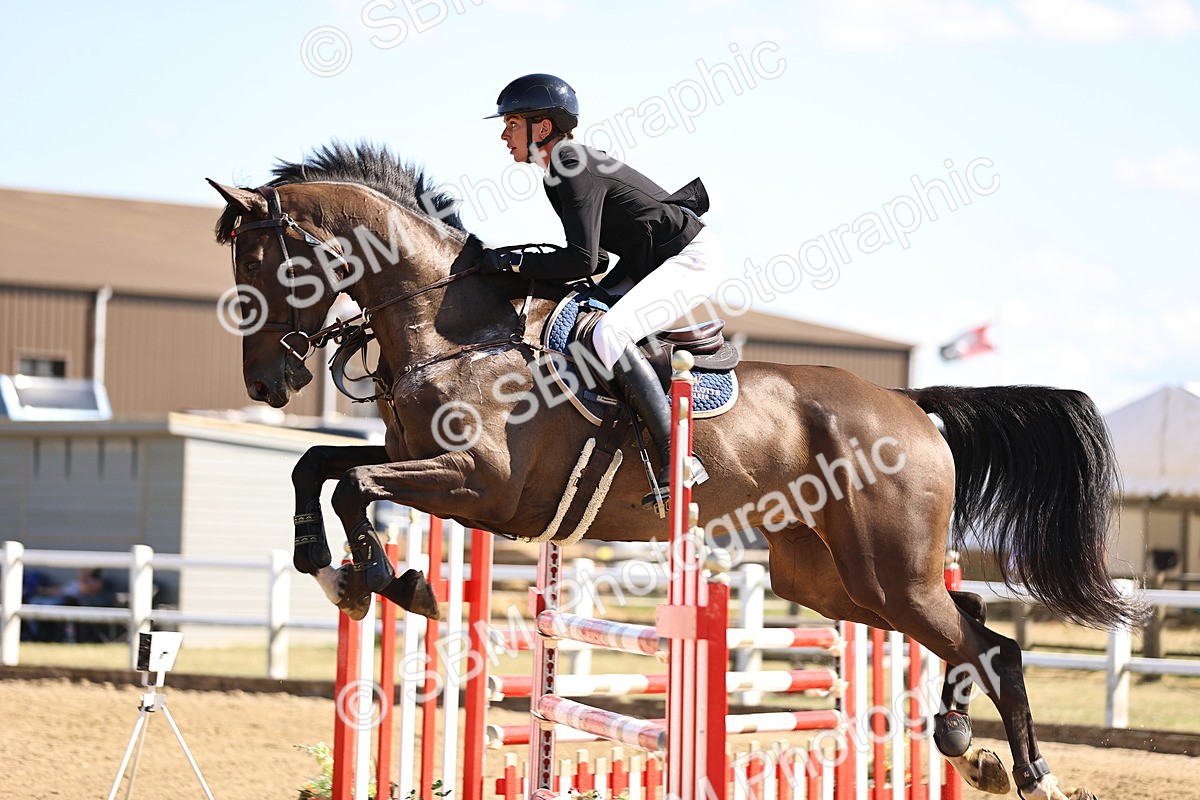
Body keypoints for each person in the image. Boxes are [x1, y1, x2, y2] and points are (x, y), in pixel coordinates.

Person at [479, 73, 723, 510]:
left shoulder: (569, 163)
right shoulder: (560, 169)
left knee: (608, 333)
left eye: (512, 123)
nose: (503, 134)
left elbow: (583, 260)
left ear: (544, 127)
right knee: (576, 315)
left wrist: (512, 262)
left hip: (686, 258)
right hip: (644, 260)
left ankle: (677, 455)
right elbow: (595, 261)